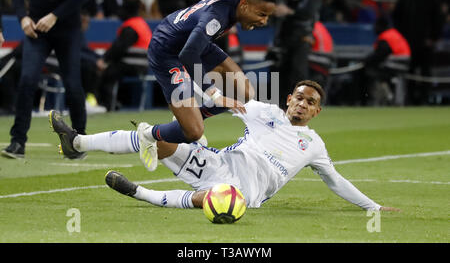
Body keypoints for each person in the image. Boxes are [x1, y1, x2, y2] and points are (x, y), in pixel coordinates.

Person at [126, 0, 346, 171]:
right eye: (261, 14)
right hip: (168, 50)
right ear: (243, 5)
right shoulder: (216, 17)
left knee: (245, 93)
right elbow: (188, 54)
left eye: (268, 16)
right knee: (193, 133)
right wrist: (213, 93)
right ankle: (149, 134)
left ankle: (187, 116)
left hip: (195, 42)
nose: (263, 21)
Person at [48, 80, 399, 212]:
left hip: (247, 189)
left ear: (316, 112)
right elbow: (223, 98)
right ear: (289, 98)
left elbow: (334, 180)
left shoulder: (314, 145)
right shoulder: (264, 112)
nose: (302, 105)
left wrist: (374, 207)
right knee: (161, 137)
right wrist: (196, 84)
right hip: (219, 163)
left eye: (310, 103)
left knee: (219, 202)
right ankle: (76, 141)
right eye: (299, 98)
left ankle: (140, 192)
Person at [1, 0, 89, 159]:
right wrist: (23, 17)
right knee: (27, 81)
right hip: (36, 30)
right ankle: (17, 142)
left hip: (67, 29)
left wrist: (55, 15)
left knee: (72, 84)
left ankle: (79, 140)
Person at [273, 0, 324, 108]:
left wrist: (288, 11)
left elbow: (309, 12)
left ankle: (303, 103)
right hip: (285, 36)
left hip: (302, 35)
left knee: (298, 72)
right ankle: (281, 106)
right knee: (282, 71)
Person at [96, 0, 152, 111]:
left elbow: (119, 47)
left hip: (132, 65)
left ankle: (107, 106)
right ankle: (113, 103)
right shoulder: (141, 23)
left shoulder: (131, 26)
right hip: (143, 66)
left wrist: (104, 60)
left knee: (107, 73)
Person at [359, 16, 411, 105]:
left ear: (380, 26)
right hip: (404, 63)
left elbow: (380, 54)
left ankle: (379, 97)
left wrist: (366, 61)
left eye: (376, 25)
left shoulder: (386, 36)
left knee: (370, 72)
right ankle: (386, 94)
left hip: (395, 64)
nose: (374, 28)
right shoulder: (393, 33)